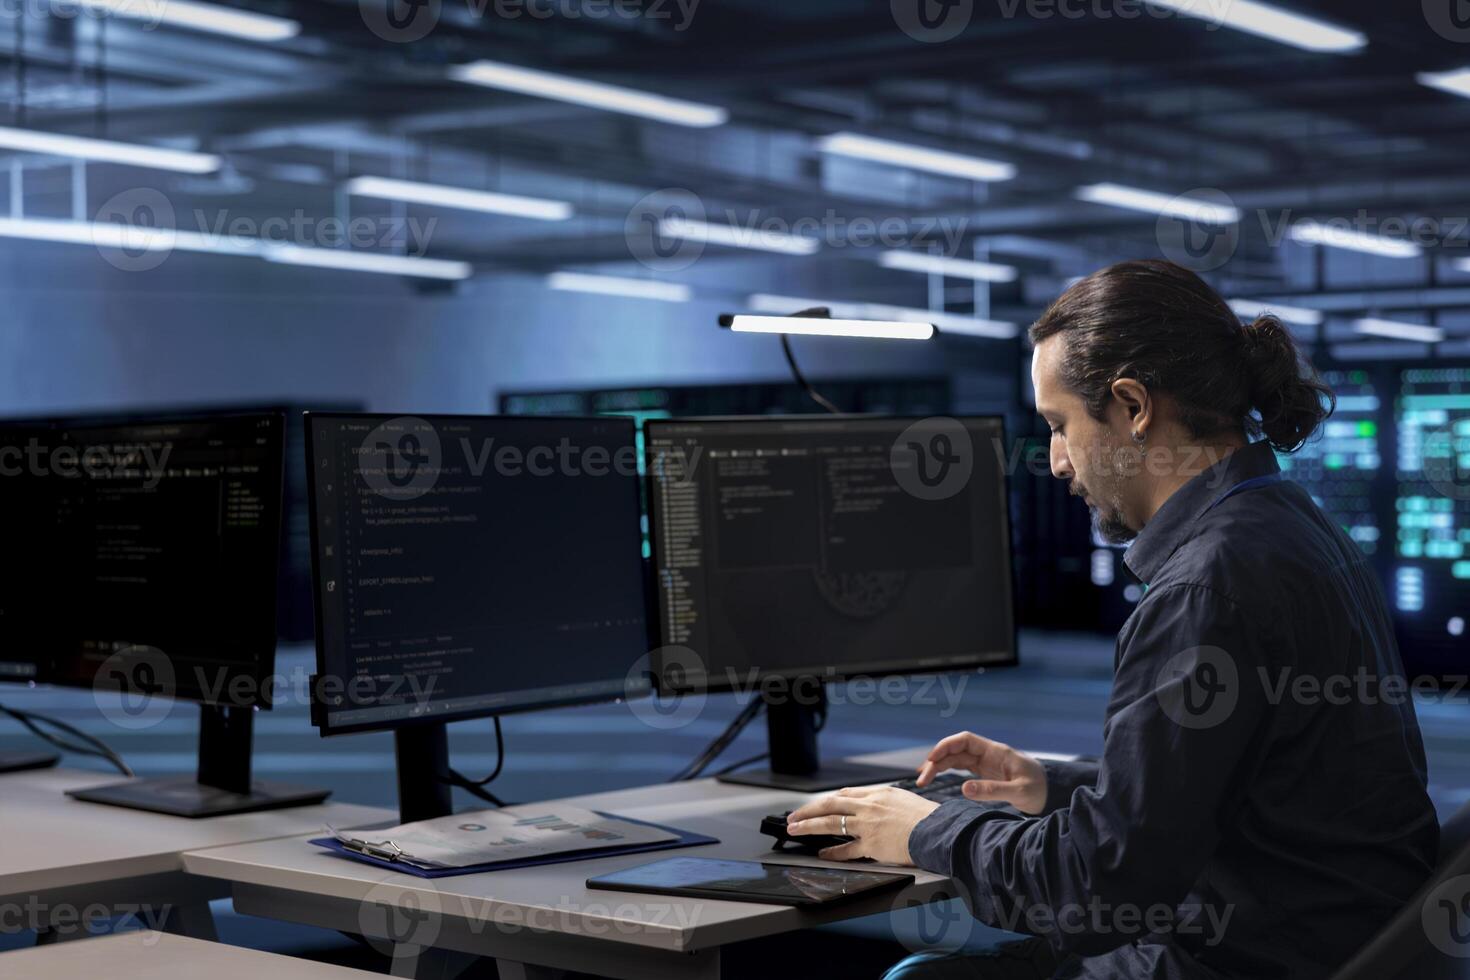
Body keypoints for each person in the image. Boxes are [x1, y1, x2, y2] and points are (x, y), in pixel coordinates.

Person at [786, 260, 1439, 978]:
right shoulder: (1292, 526)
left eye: (1061, 425)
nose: (1059, 463)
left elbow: (1095, 891)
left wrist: (927, 829)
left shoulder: (1205, 588)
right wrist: (1054, 787)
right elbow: (1247, 789)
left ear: (1132, 406)